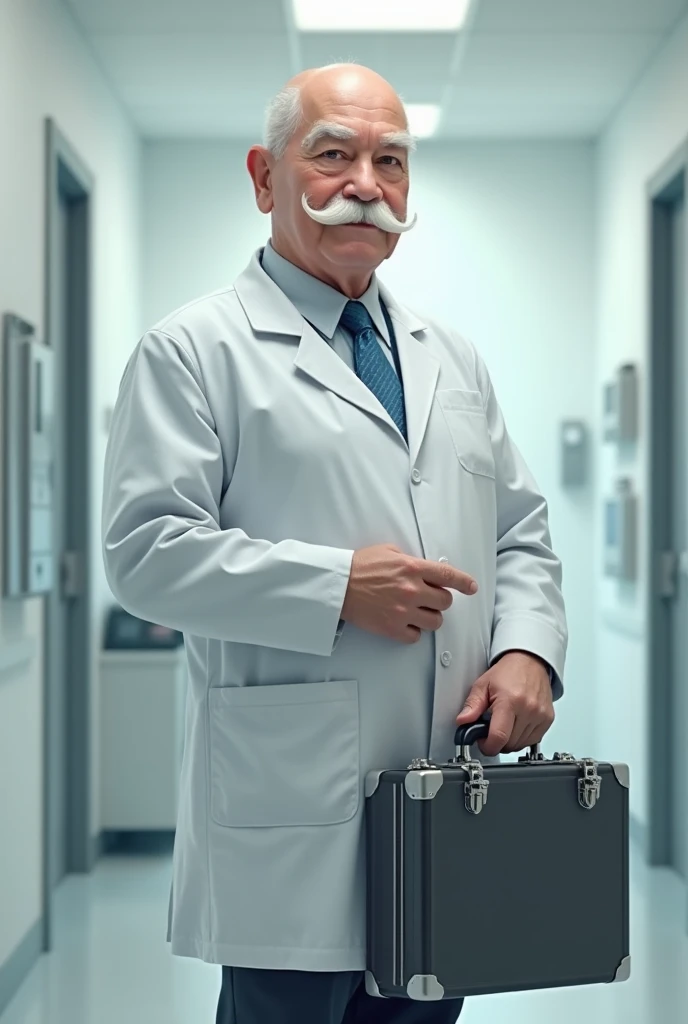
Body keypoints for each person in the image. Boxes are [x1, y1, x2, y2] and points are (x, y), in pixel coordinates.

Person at [102, 62, 567, 1024]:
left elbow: (519, 529)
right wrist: (335, 587)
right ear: (265, 179)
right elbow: (145, 553)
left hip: (446, 803)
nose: (366, 183)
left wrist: (529, 651)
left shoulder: (452, 356)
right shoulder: (194, 351)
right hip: (290, 814)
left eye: (390, 161)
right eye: (333, 155)